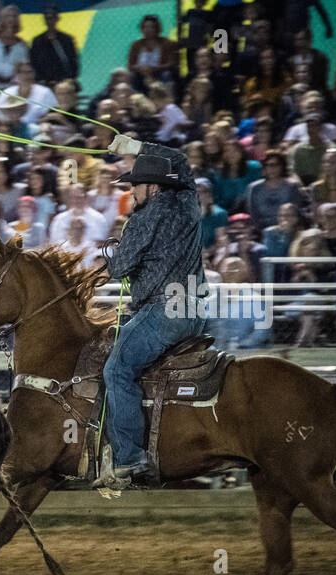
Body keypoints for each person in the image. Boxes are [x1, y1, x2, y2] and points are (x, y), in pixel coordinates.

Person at [97, 134, 207, 490]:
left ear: (154, 188)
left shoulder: (142, 220)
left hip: (164, 312)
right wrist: (135, 147)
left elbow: (119, 270)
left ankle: (129, 458)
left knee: (116, 369)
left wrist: (110, 252)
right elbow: (182, 160)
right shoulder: (189, 202)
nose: (131, 193)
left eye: (136, 186)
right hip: (195, 309)